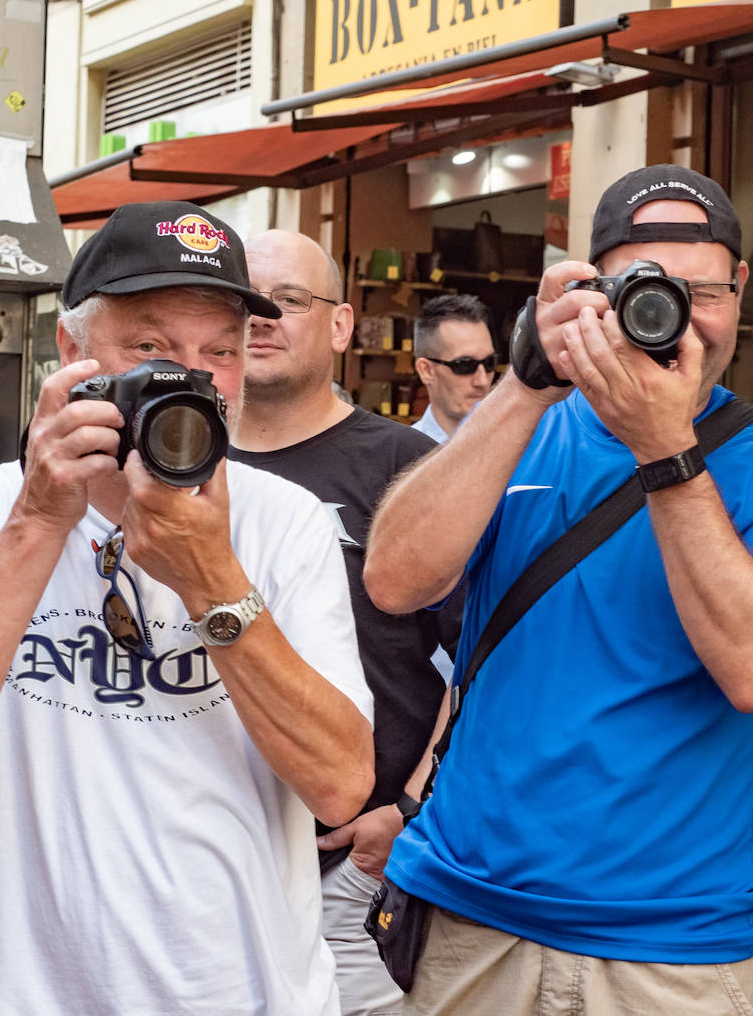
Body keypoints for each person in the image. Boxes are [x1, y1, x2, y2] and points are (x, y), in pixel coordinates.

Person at [363, 164, 753, 1014]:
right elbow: (396, 580)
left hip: (677, 951)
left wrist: (666, 449)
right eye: (640, 287)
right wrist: (523, 382)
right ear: (589, 289)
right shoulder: (526, 425)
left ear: (739, 289)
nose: (671, 317)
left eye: (699, 290)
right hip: (472, 919)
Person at [0, 201, 375, 1016]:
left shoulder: (285, 523)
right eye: (151, 348)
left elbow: (341, 784)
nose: (191, 378)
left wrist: (211, 578)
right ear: (73, 352)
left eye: (219, 351)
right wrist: (40, 521)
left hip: (251, 995)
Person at [229, 229, 459, 1016]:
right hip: (196, 854)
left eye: (287, 301)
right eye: (245, 301)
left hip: (349, 876)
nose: (261, 318)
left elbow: (486, 654)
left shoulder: (405, 466)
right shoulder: (168, 452)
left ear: (340, 325)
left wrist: (410, 812)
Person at [411, 294, 496, 443]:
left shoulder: (520, 448)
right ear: (426, 370)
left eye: (489, 363)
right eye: (465, 365)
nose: (482, 381)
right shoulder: (402, 456)